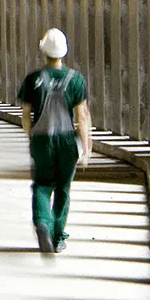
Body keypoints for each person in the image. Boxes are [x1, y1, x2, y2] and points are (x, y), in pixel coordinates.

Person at [16, 28, 92, 253]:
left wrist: (31, 136)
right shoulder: (76, 80)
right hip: (67, 141)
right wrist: (86, 147)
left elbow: (26, 115)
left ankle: (42, 222)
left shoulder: (33, 79)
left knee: (41, 185)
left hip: (42, 139)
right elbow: (82, 116)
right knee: (63, 189)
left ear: (44, 52)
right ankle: (57, 236)